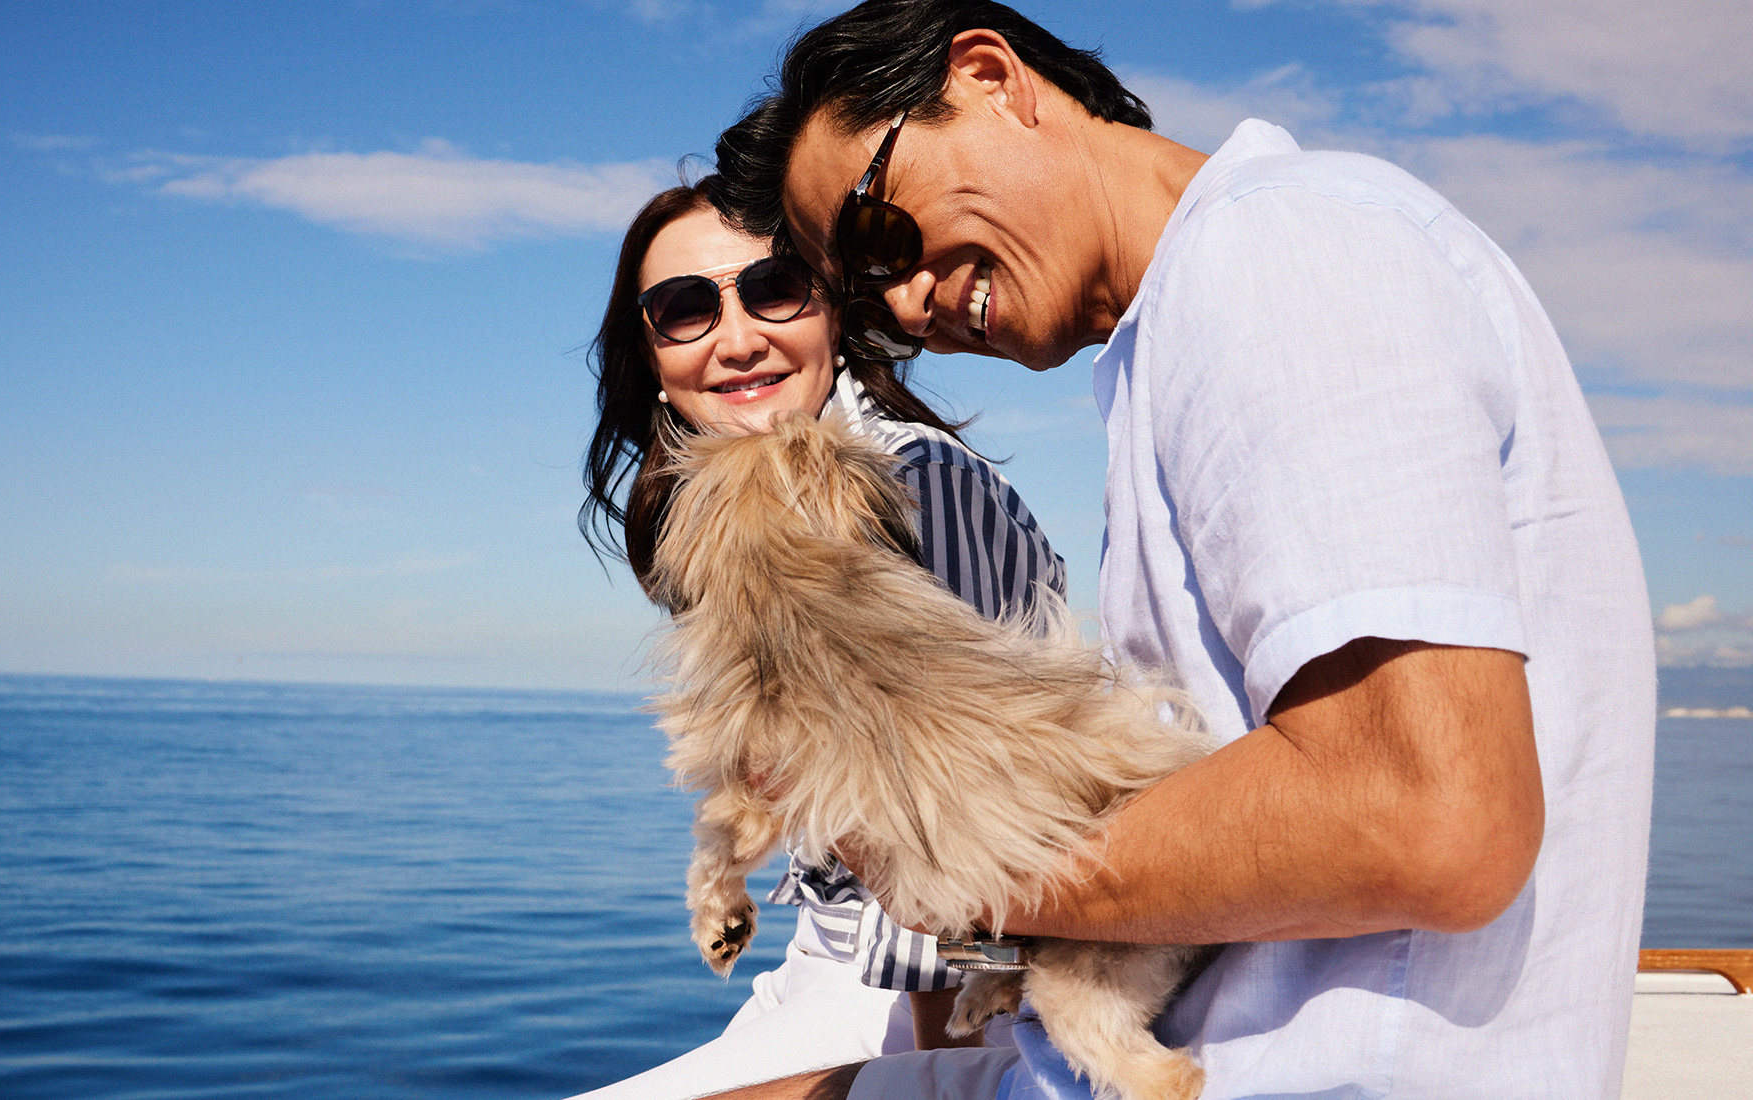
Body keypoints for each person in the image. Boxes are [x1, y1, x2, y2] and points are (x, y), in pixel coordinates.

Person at [699, 1, 1657, 1098]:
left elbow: (1428, 814)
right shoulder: (1187, 322)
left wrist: (951, 868)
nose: (907, 304)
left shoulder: (1273, 255)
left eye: (879, 235)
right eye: (867, 298)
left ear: (988, 78)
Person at [575, 178, 1067, 1098]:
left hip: (968, 990)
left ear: (834, 310)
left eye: (774, 287)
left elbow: (968, 825)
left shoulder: (913, 484)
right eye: (685, 309)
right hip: (832, 961)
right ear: (651, 356)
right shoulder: (749, 505)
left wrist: (943, 1074)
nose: (737, 337)